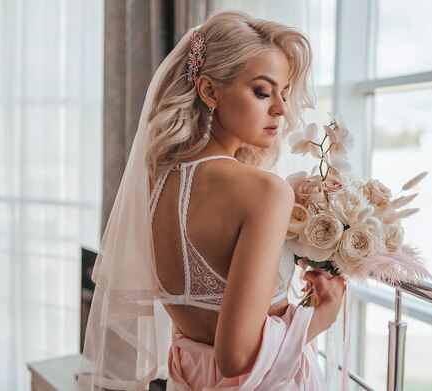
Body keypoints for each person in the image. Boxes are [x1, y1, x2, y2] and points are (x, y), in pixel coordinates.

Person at [78, 11, 345, 390]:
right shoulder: (265, 192)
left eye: (283, 93)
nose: (281, 109)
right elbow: (234, 357)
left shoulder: (156, 181)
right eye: (262, 91)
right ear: (209, 91)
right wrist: (322, 316)